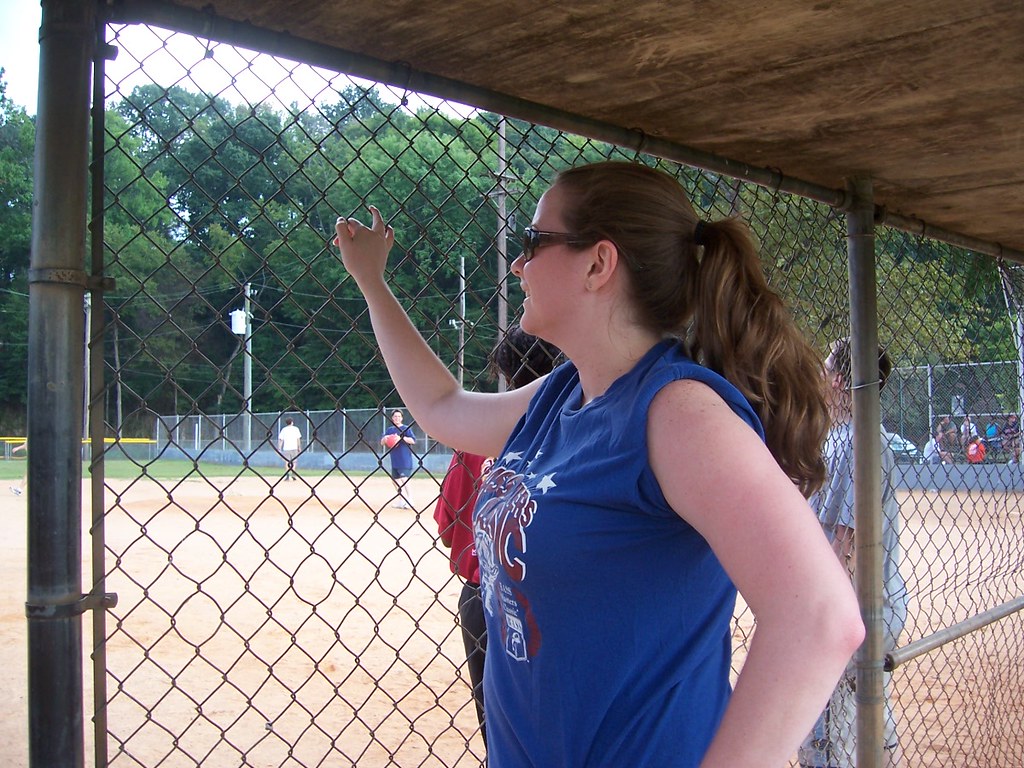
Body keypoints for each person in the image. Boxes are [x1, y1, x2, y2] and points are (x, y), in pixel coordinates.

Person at [333, 160, 863, 767]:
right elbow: (442, 406)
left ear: (598, 264)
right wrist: (372, 283)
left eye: (533, 241)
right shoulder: (565, 393)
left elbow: (821, 618)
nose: (518, 264)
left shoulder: (677, 412)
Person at [432, 325, 560, 748]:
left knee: (498, 727)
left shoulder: (475, 435)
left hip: (482, 594)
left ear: (505, 374)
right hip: (552, 595)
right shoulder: (574, 428)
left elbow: (449, 527)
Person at [799, 339, 908, 768]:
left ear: (840, 381)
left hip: (856, 605)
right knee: (867, 710)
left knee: (825, 726)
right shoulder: (845, 437)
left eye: (825, 368)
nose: (819, 375)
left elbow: (843, 545)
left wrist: (820, 614)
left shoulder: (858, 443)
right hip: (868, 602)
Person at [381, 409, 416, 508]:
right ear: (392, 418)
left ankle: (410, 500)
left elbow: (413, 440)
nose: (397, 418)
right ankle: (401, 500)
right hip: (395, 459)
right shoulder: (390, 430)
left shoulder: (405, 428)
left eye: (399, 416)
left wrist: (401, 438)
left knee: (404, 479)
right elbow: (382, 442)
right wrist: (386, 438)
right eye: (395, 416)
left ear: (402, 418)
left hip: (405, 459)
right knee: (395, 480)